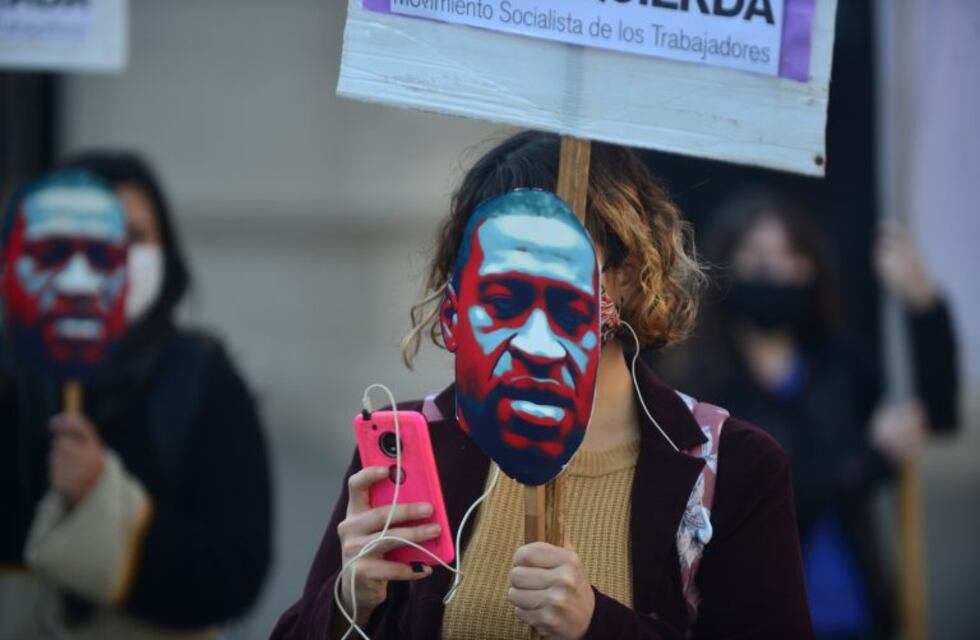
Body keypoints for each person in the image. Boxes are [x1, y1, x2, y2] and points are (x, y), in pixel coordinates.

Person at [272, 131, 815, 639]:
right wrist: (348, 601)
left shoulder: (734, 466)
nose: (534, 343)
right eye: (504, 300)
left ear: (622, 283)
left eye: (561, 297)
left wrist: (597, 623)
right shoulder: (414, 452)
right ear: (458, 300)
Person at [651, 188, 959, 640]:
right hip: (749, 620)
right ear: (725, 265)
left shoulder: (837, 368)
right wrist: (866, 463)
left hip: (853, 612)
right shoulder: (699, 387)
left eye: (789, 256)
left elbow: (934, 412)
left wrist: (925, 306)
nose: (774, 272)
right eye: (756, 256)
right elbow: (749, 508)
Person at [0, 151, 272, 640]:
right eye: (89, 239)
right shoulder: (14, 378)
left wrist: (101, 496)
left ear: (166, 250)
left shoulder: (203, 378)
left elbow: (237, 572)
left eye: (135, 238)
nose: (106, 262)